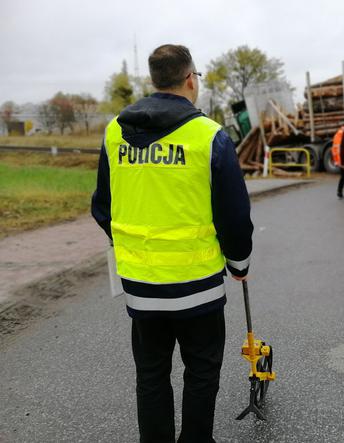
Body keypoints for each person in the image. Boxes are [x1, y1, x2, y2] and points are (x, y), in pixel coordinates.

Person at [91, 44, 253, 442]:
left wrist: (133, 248)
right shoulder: (209, 136)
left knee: (150, 375)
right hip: (197, 288)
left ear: (154, 80)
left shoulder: (115, 133)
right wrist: (239, 264)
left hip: (141, 289)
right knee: (201, 372)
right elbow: (233, 216)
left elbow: (102, 207)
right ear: (190, 79)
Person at [332, 122, 344, 199]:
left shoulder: (337, 134)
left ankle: (339, 191)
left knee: (343, 176)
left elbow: (334, 148)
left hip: (339, 159)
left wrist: (336, 161)